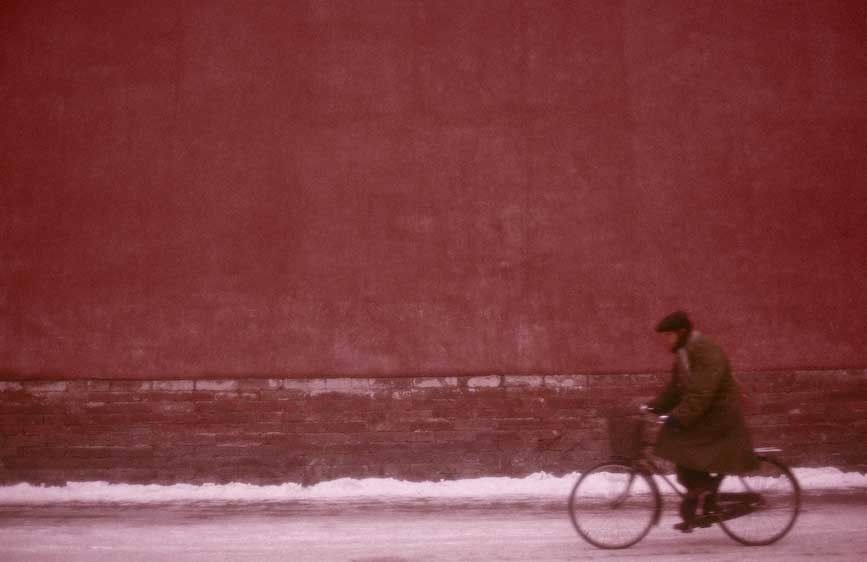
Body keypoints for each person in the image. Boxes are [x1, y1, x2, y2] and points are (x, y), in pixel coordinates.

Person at [645, 311, 758, 533]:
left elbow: (701, 393)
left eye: (668, 336)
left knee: (679, 440)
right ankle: (699, 491)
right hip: (705, 414)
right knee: (675, 440)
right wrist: (656, 405)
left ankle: (701, 490)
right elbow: (676, 389)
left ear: (682, 332)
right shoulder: (684, 352)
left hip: (720, 416)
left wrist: (678, 417)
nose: (665, 341)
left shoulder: (706, 351)